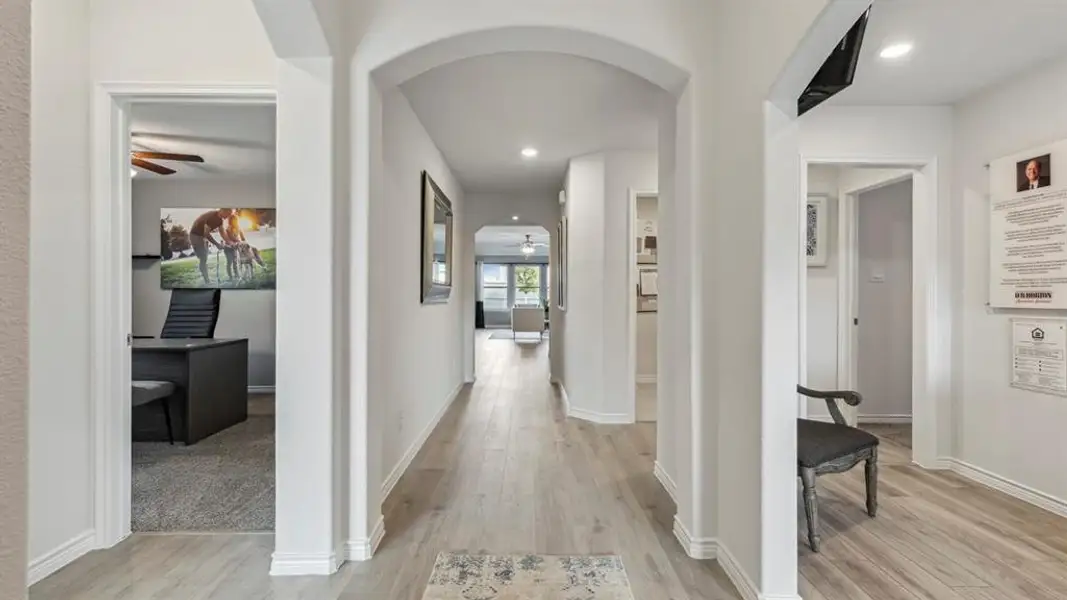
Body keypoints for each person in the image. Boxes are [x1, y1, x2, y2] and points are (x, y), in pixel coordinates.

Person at [189, 208, 234, 285]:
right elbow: (206, 233)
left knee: (205, 256)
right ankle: (207, 282)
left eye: (230, 215)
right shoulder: (213, 217)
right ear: (223, 210)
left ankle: (207, 280)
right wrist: (217, 244)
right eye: (228, 214)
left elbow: (222, 232)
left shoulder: (220, 220)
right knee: (203, 257)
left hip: (202, 236)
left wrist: (230, 242)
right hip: (195, 235)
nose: (228, 217)